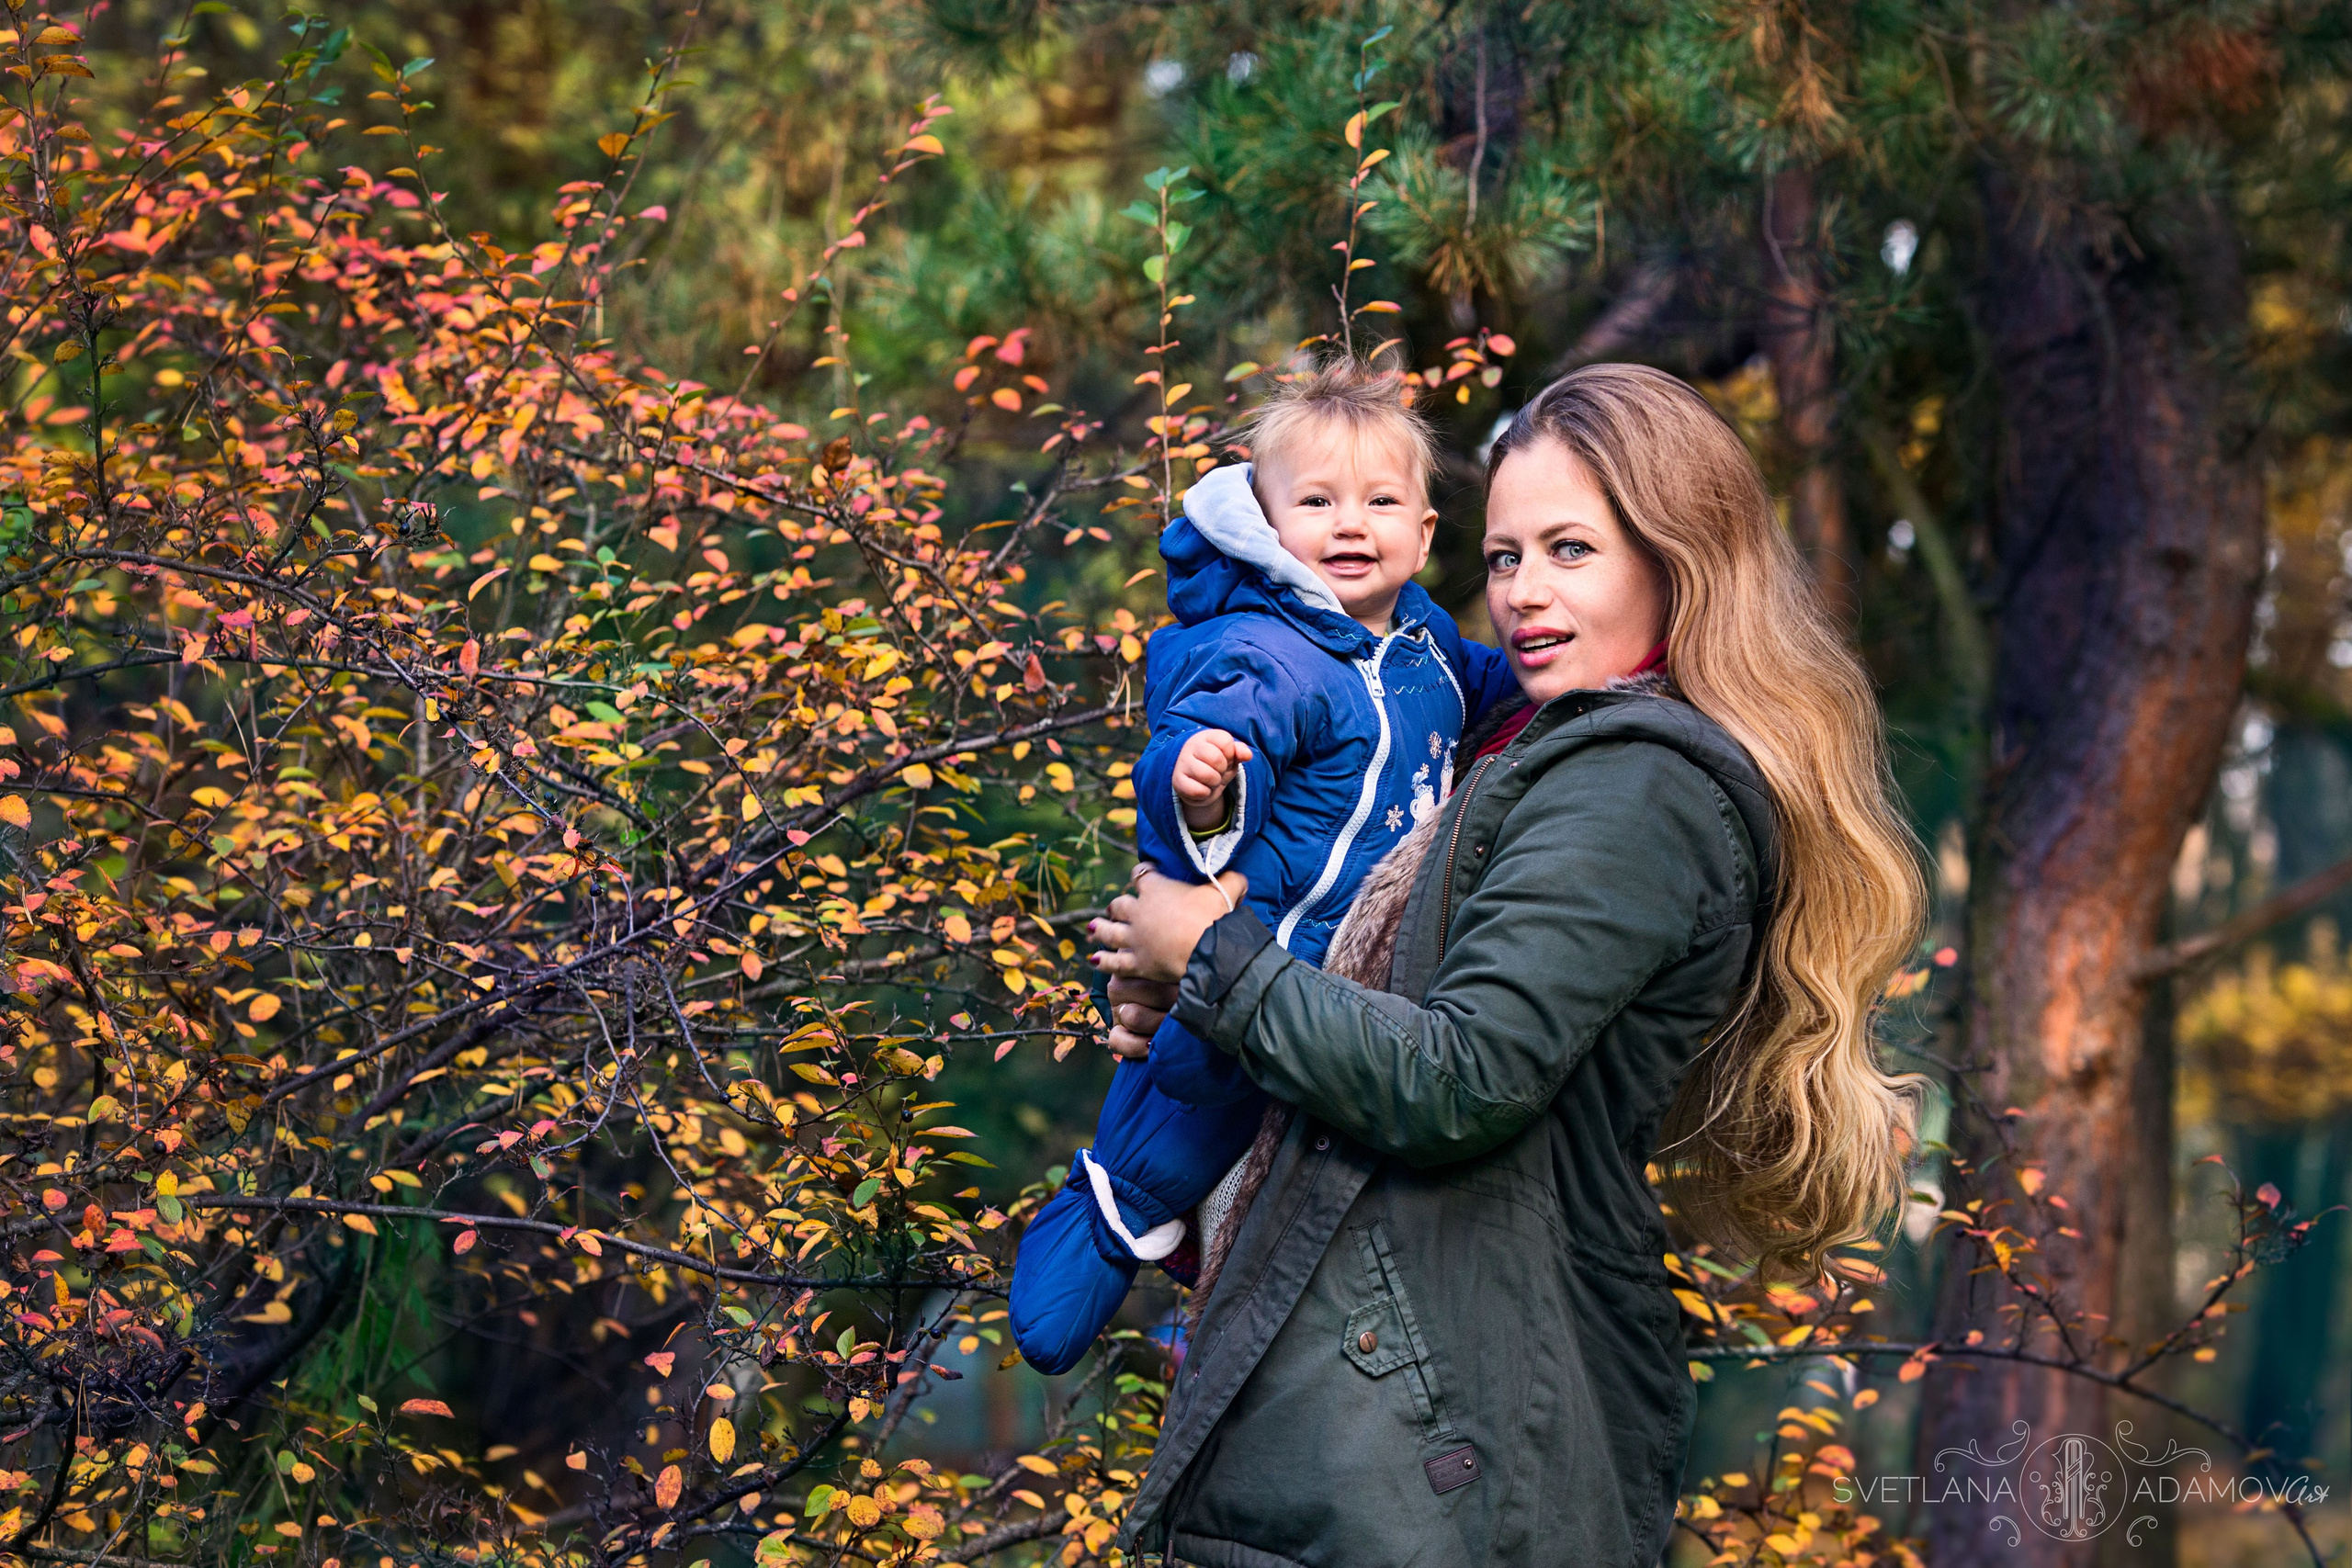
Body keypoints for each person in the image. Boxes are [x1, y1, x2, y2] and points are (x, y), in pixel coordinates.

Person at [1091, 364, 1928, 1567]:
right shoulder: (1524, 749)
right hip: (1403, 1418)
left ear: (1677, 555)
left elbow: (1459, 1074)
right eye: (1503, 557)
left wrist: (1219, 957)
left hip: (1430, 1444)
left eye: (1571, 548)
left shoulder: (1634, 785)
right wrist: (1196, 989)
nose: (1525, 594)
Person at [1008, 364, 1512, 1376]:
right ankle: (1110, 1216)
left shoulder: (1427, 642)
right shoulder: (1268, 649)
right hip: (1270, 923)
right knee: (1199, 1101)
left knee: (1295, 1168)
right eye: (1315, 502)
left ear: (1422, 532)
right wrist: (1195, 784)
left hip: (1356, 955)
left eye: (1379, 502)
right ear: (1267, 524)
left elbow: (1499, 693)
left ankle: (1214, 1317)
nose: (1349, 524)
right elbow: (1194, 742)